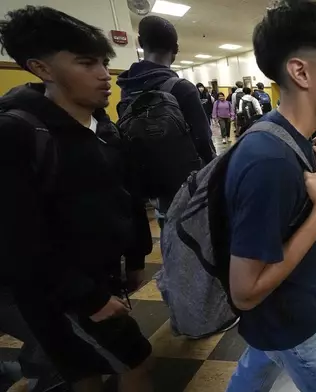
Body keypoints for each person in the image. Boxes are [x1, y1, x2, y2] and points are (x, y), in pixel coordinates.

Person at [0, 6, 153, 391]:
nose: (104, 74)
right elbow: (18, 238)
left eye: (103, 61)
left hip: (101, 276)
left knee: (84, 368)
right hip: (58, 294)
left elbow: (126, 195)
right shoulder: (18, 133)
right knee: (135, 360)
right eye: (86, 63)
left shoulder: (103, 125)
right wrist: (87, 297)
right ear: (42, 68)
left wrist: (135, 256)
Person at [224, 1, 316, 391]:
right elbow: (245, 292)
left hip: (282, 315)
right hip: (294, 322)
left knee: (254, 375)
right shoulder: (269, 159)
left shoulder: (287, 137)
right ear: (300, 71)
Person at [117, 15, 215, 226]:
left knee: (167, 227)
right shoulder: (181, 88)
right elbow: (204, 142)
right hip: (186, 184)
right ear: (176, 49)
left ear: (141, 43)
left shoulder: (127, 88)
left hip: (148, 182)